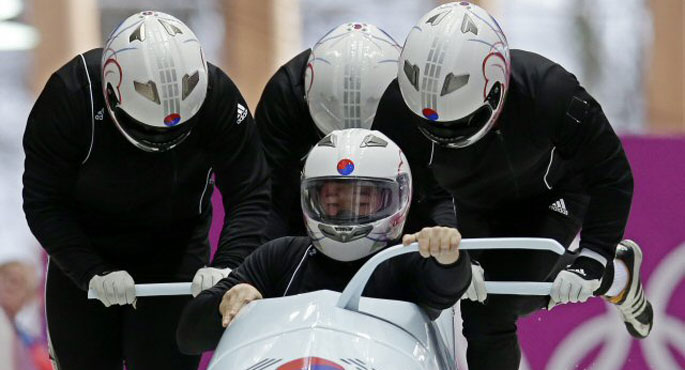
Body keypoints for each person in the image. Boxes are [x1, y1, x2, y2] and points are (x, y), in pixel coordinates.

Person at [371, 2, 654, 369]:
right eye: (432, 129)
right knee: (462, 292)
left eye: (460, 124)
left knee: (492, 307)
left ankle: (615, 273)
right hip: (463, 199)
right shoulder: (398, 108)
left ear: (496, 90)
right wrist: (449, 249)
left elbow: (611, 174)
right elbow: (404, 186)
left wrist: (594, 257)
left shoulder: (551, 92)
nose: (445, 137)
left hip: (550, 196)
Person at [22, 11, 269, 370]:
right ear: (112, 94)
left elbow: (251, 190)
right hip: (87, 247)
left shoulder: (218, 98)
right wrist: (90, 270)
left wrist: (229, 262)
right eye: (149, 130)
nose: (162, 141)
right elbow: (43, 200)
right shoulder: (70, 96)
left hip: (174, 249)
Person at [176, 129, 471, 354]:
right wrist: (224, 304)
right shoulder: (282, 256)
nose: (344, 211)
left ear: (398, 198)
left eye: (362, 200)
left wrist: (448, 256)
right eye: (331, 199)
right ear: (309, 198)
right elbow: (189, 336)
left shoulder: (405, 259)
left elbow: (446, 287)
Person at [255, 22, 457, 242]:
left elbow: (440, 189)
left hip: (404, 225)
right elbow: (269, 196)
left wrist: (442, 240)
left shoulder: (410, 100)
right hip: (305, 225)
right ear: (306, 98)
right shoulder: (284, 96)